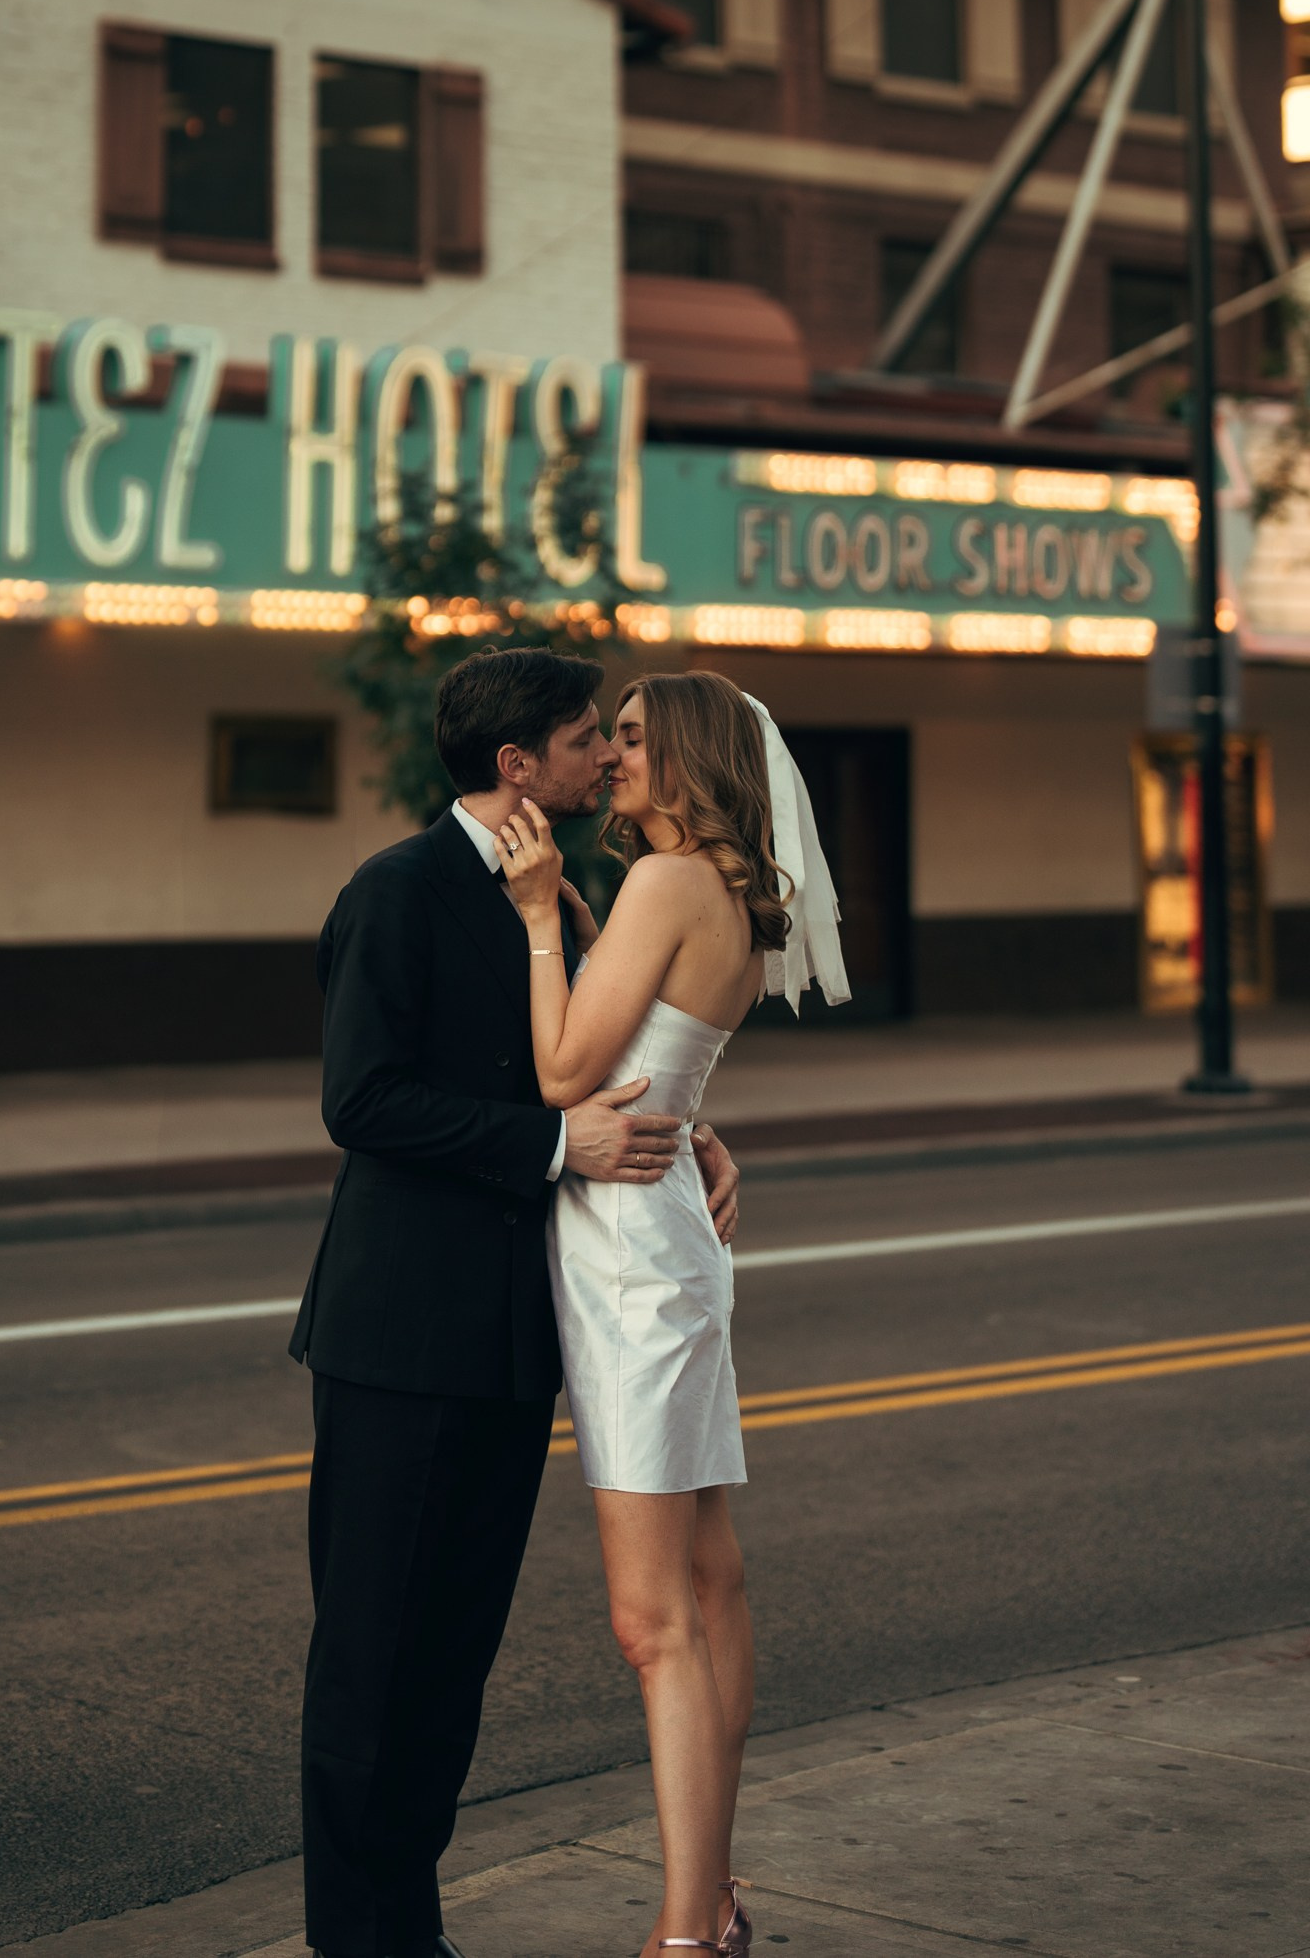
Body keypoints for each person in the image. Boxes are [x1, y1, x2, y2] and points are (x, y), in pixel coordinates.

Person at [291, 646, 743, 1958]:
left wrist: (691, 1131)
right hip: (400, 1335)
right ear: (517, 765)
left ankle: (408, 1932)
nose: (609, 755)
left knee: (448, 1670)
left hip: (520, 1343)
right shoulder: (401, 891)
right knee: (371, 1661)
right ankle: (358, 1943)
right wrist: (559, 1149)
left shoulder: (563, 895)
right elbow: (361, 1102)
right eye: (588, 736)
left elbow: (615, 1056)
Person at [495, 670, 848, 1958]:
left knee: (653, 1622)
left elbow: (563, 1071)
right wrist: (701, 1125)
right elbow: (665, 1061)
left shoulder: (665, 883)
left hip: (632, 1260)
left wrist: (541, 921)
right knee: (710, 1581)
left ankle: (687, 1934)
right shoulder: (722, 895)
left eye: (637, 738)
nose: (615, 756)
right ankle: (717, 1897)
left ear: (694, 755)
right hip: (667, 1243)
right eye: (611, 737)